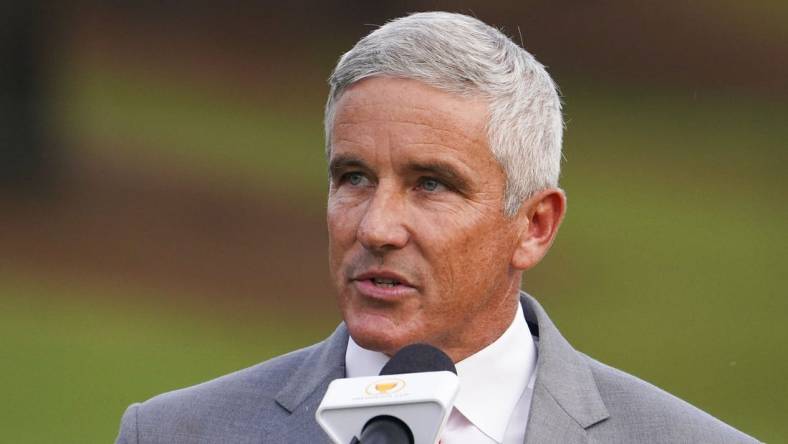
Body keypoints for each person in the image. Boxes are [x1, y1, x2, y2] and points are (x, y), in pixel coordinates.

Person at [116, 12, 757, 444]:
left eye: (430, 184)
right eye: (354, 178)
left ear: (534, 225)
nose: (377, 227)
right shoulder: (176, 432)